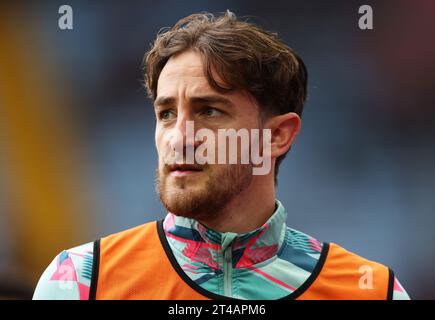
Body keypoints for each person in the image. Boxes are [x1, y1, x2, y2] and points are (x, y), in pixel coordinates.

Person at [33, 11, 410, 300]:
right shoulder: (83, 281)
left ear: (277, 135)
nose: (179, 138)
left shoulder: (371, 290)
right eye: (166, 114)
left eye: (209, 111)